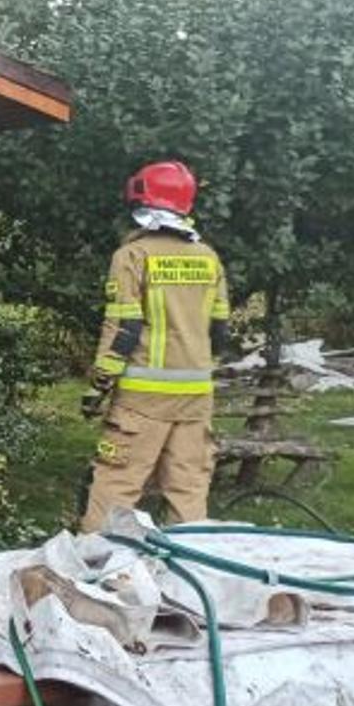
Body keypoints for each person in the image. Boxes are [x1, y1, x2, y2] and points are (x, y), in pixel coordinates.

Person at [79, 160, 231, 532]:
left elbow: (124, 328)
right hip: (196, 396)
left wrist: (98, 387)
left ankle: (93, 575)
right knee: (189, 494)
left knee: (115, 489)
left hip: (142, 400)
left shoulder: (132, 256)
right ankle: (190, 577)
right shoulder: (208, 258)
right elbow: (220, 330)